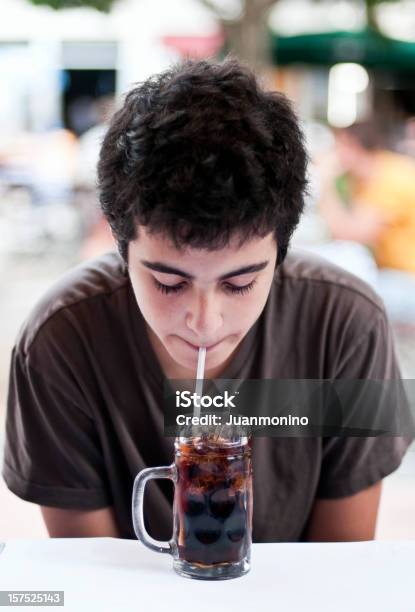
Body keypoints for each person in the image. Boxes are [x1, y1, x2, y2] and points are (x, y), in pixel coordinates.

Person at [2, 58, 412, 541]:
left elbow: (340, 564)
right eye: (168, 284)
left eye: (239, 284)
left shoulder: (344, 324)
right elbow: (92, 571)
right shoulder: (61, 340)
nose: (204, 320)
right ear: (121, 247)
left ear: (280, 251)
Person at [318, 121, 415, 324]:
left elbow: (347, 233)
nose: (334, 153)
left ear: (354, 147)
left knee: (342, 297)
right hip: (395, 276)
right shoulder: (369, 177)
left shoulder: (390, 178)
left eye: (339, 146)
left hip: (407, 281)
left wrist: (325, 182)